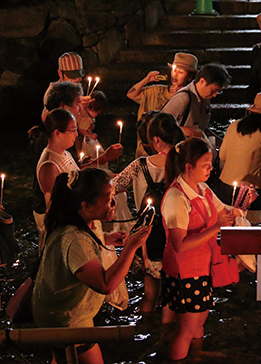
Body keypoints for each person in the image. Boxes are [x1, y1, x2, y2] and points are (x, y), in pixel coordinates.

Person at [33, 167, 148, 363]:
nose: (114, 202)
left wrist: (107, 239)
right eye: (108, 198)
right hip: (67, 321)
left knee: (63, 358)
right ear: (86, 206)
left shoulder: (77, 223)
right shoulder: (74, 238)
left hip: (59, 313)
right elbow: (104, 284)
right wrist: (131, 247)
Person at [161, 138, 240, 361]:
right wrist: (215, 227)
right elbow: (180, 244)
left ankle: (196, 354)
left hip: (201, 267)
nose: (211, 168)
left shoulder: (202, 190)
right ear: (189, 167)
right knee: (187, 327)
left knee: (199, 320)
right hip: (185, 272)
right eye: (206, 164)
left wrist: (241, 206)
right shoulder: (177, 198)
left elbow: (225, 211)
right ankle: (180, 358)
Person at [112, 112, 183, 313]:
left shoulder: (139, 165)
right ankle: (167, 335)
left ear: (155, 140)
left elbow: (113, 187)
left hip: (147, 236)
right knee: (173, 294)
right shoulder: (184, 164)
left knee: (150, 294)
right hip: (175, 234)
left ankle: (145, 328)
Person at [218, 93, 261, 225]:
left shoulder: (234, 126)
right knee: (249, 229)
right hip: (252, 193)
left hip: (226, 189)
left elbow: (222, 156)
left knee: (228, 228)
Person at [126, 53, 197, 156]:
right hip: (147, 151)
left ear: (189, 77)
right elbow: (131, 94)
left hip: (170, 153)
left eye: (180, 72)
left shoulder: (187, 99)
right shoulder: (156, 91)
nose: (175, 75)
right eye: (174, 70)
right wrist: (147, 79)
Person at [34, 108, 81, 247]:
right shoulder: (49, 166)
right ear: (57, 133)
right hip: (65, 229)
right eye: (72, 130)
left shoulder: (64, 153)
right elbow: (53, 209)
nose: (76, 134)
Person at [161, 63, 231, 144]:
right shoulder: (183, 98)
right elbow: (161, 126)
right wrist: (189, 131)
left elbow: (202, 129)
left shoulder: (205, 99)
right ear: (202, 81)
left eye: (218, 91)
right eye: (213, 90)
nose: (215, 95)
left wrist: (221, 142)